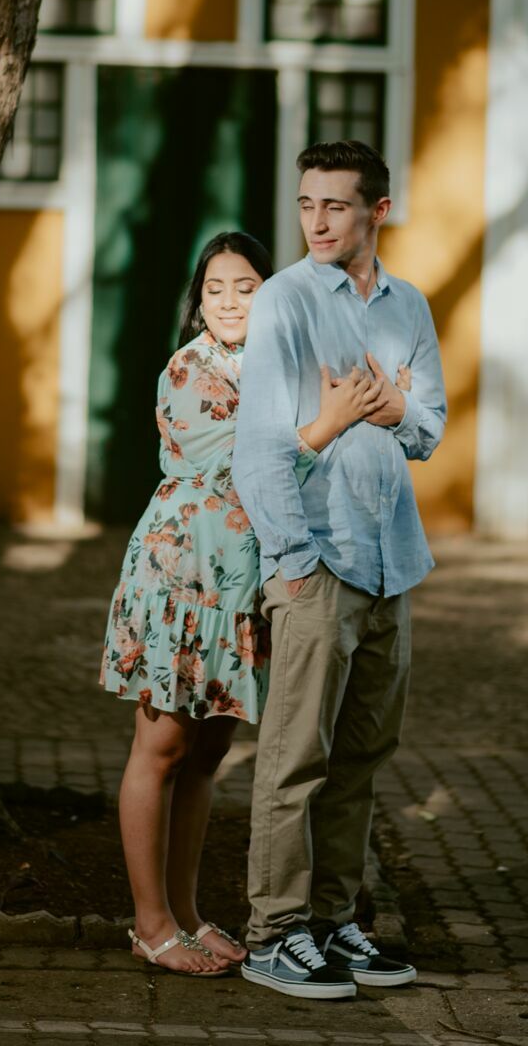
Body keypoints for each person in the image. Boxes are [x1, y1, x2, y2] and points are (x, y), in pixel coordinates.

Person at [100, 230, 386, 977]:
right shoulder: (190, 371)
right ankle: (151, 923)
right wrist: (328, 422)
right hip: (182, 580)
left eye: (247, 286)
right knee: (160, 748)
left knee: (208, 755)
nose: (229, 301)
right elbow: (250, 463)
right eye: (215, 289)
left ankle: (189, 912)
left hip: (243, 592)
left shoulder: (273, 369)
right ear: (197, 303)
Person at [232, 141, 446, 1001]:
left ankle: (332, 922)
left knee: (362, 754)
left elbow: (426, 427)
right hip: (318, 560)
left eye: (335, 206)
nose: (316, 222)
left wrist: (392, 406)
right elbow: (259, 450)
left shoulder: (411, 306)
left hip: (392, 559)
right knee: (294, 758)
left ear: (377, 212)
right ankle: (272, 933)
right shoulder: (283, 303)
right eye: (306, 204)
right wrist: (290, 562)